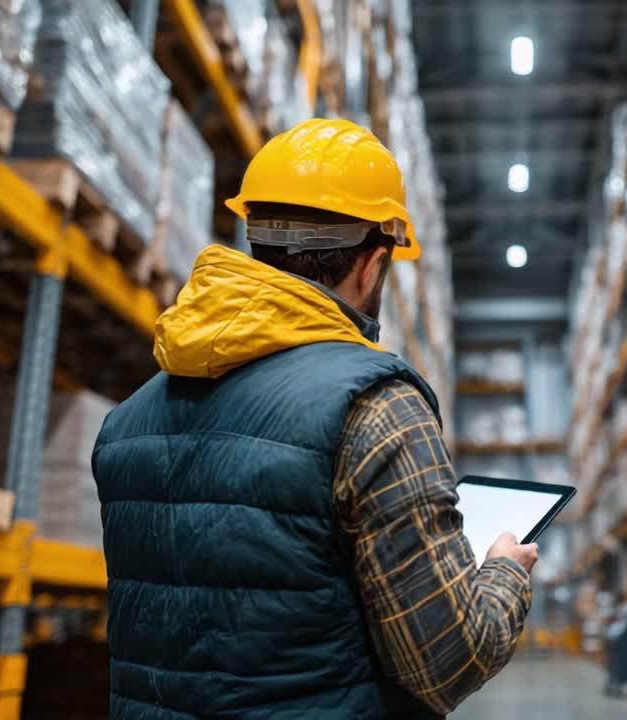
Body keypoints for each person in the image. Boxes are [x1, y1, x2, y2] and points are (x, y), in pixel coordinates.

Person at [92, 119, 537, 719]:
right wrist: (505, 571)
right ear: (372, 264)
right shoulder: (377, 407)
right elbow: (449, 660)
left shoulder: (129, 421)